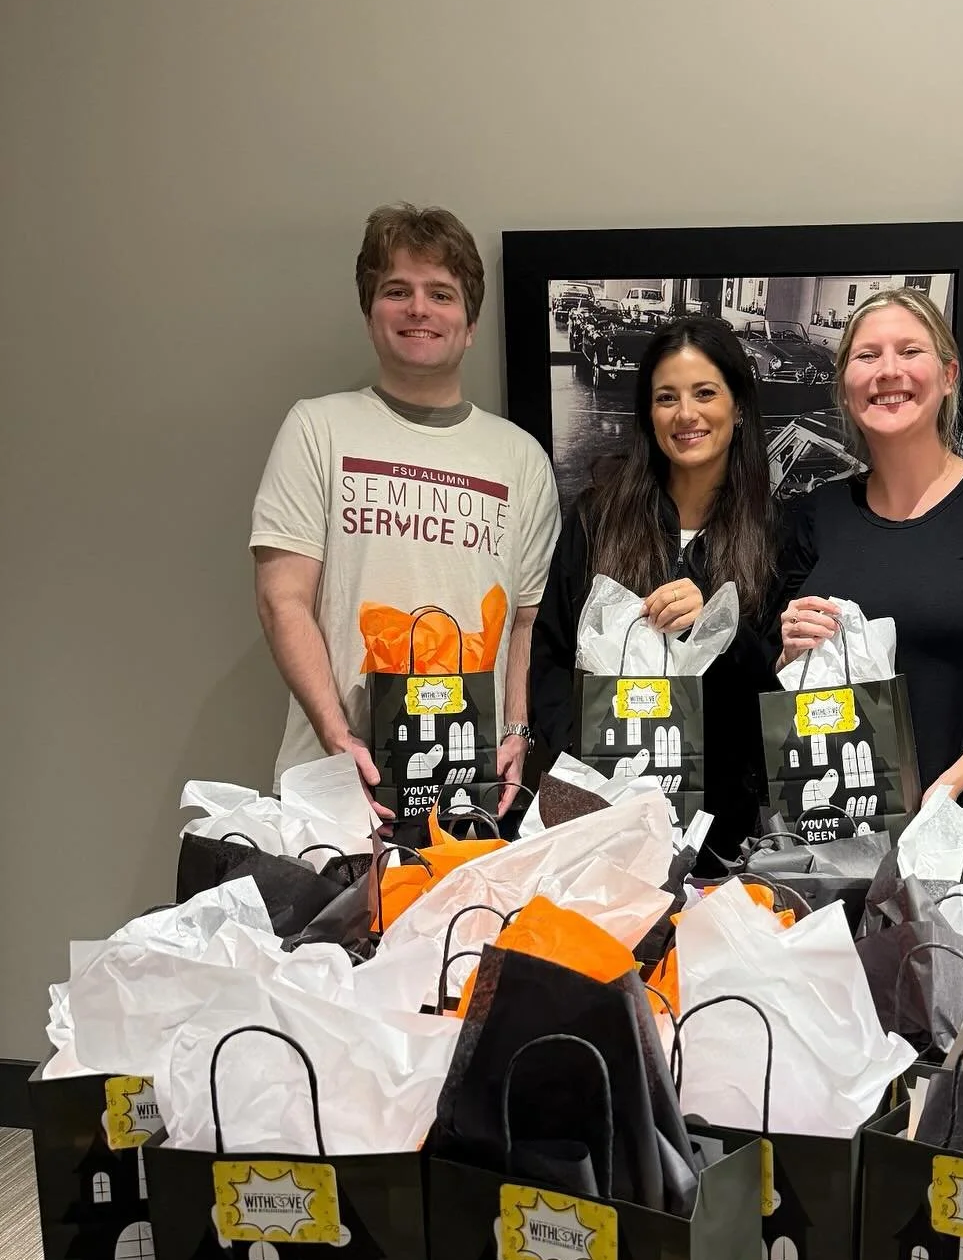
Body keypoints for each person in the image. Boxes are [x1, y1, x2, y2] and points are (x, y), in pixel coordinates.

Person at [251, 204, 560, 816]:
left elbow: (526, 623)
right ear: (371, 314)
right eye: (398, 290)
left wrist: (517, 732)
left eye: (441, 294)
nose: (419, 308)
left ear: (470, 324)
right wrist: (340, 742)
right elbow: (281, 598)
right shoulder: (317, 428)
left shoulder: (520, 457)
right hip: (337, 786)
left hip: (472, 783)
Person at [777, 289, 963, 803]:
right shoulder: (816, 513)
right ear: (846, 387)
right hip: (837, 822)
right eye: (868, 356)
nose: (889, 371)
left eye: (910, 351)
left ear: (949, 375)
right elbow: (781, 676)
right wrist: (787, 651)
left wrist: (946, 789)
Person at [530, 315, 782, 864]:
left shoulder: (776, 532)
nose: (685, 413)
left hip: (725, 837)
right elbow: (549, 654)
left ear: (738, 408)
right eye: (666, 396)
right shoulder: (597, 518)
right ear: (648, 412)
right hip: (603, 821)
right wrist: (579, 760)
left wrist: (720, 628)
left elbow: (781, 688)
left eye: (705, 393)